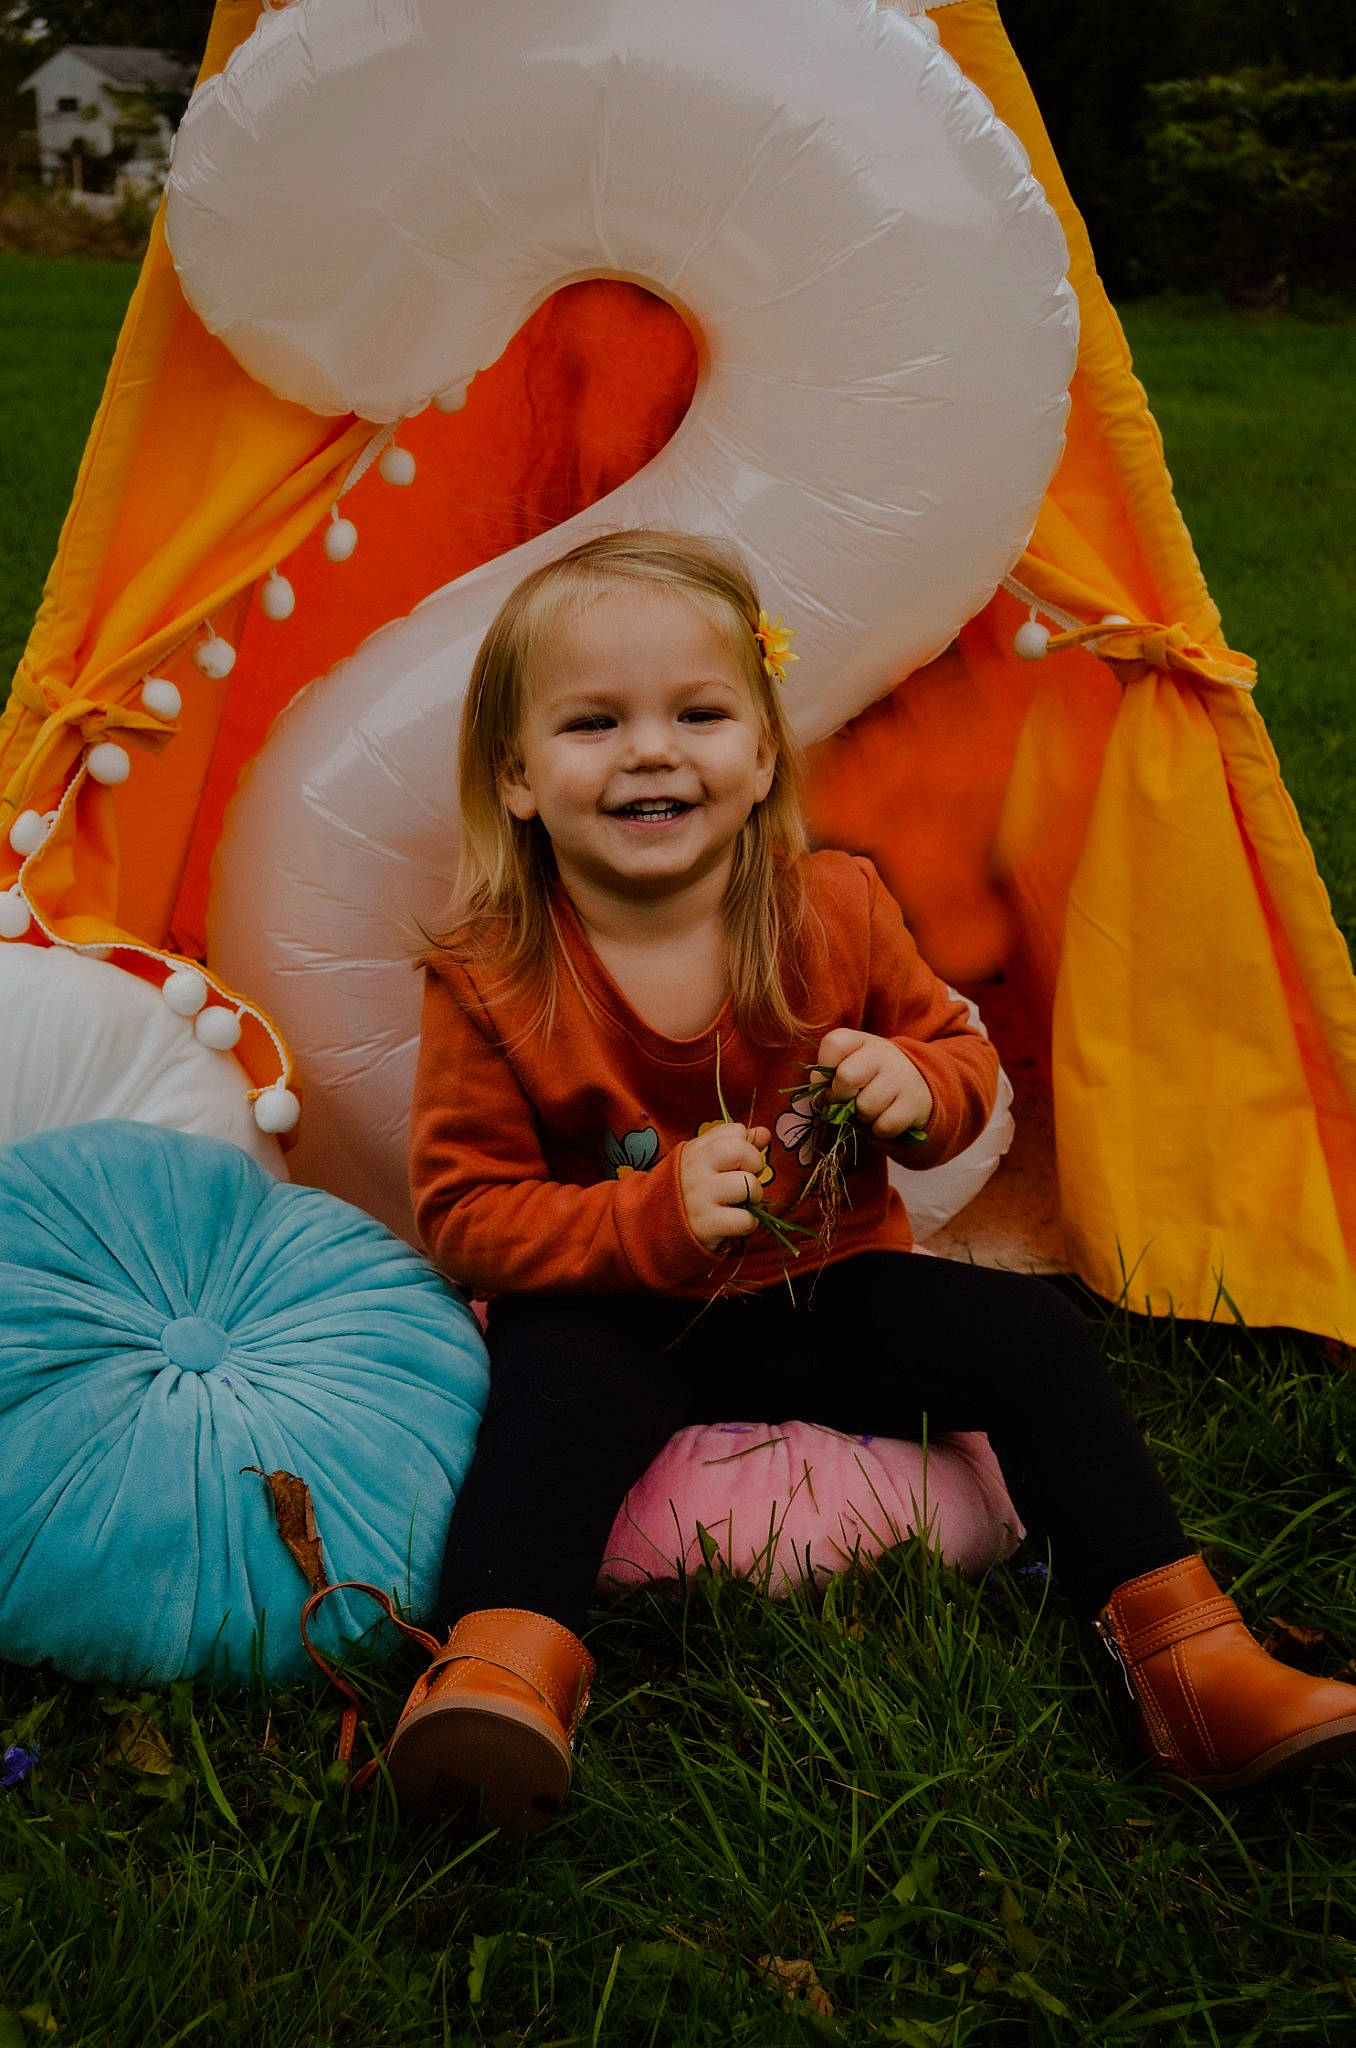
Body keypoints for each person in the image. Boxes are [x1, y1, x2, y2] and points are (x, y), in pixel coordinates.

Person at [381, 528, 1356, 1835]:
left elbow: (956, 1063)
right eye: (594, 722)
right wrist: (647, 1215)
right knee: (552, 1392)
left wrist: (920, 1088)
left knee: (1031, 1336)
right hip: (616, 1304)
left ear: (767, 750)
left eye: (700, 712)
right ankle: (494, 1675)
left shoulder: (832, 908)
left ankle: (1189, 1664)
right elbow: (463, 1216)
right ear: (515, 776)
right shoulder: (493, 976)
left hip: (823, 1285)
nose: (653, 749)